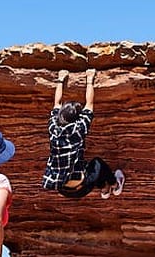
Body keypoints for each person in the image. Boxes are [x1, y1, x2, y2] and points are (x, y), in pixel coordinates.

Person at [42, 68, 125, 199]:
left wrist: (60, 79)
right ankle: (114, 185)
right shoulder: (79, 128)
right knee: (97, 163)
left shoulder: (53, 126)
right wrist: (90, 79)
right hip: (81, 188)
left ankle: (105, 190)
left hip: (62, 189)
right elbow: (89, 103)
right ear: (77, 118)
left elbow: (56, 103)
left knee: (85, 166)